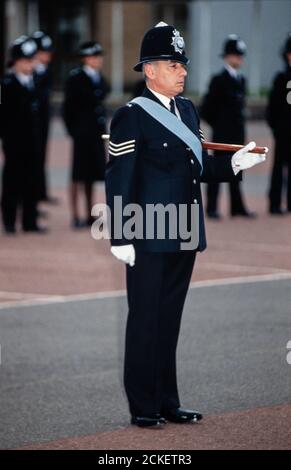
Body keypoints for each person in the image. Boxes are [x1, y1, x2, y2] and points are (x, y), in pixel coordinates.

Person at [105, 22, 266, 428]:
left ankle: (166, 400)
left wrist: (231, 165)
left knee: (169, 319)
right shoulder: (130, 116)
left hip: (184, 230)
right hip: (147, 233)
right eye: (173, 64)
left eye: (183, 64)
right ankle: (143, 405)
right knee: (145, 318)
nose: (182, 71)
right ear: (150, 70)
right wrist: (120, 236)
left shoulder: (189, 110)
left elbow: (198, 167)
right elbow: (119, 177)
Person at [201, 35, 256, 220]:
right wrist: (219, 126)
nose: (239, 59)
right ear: (227, 56)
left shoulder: (241, 80)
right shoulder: (218, 80)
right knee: (217, 170)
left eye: (240, 56)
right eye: (235, 55)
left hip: (236, 134)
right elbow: (207, 109)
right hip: (222, 133)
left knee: (237, 168)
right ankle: (212, 207)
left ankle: (237, 206)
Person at [0, 36, 46, 234]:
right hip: (14, 142)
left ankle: (30, 221)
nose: (30, 64)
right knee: (12, 181)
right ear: (16, 62)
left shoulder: (34, 82)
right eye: (26, 60)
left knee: (32, 180)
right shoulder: (6, 84)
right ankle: (9, 221)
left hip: (32, 142)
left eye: (31, 60)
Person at [63, 41, 110, 228]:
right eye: (93, 57)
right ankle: (75, 215)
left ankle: (90, 214)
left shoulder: (99, 78)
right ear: (85, 59)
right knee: (78, 175)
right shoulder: (76, 78)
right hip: (82, 133)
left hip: (96, 133)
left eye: (99, 57)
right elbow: (68, 108)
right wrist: (73, 131)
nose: (97, 61)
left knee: (92, 174)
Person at [266, 33, 291, 215]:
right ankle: (274, 204)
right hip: (283, 131)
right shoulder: (281, 78)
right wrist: (276, 128)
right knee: (278, 168)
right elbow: (272, 107)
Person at [32, 30, 56, 204]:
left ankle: (40, 192)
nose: (48, 55)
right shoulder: (30, 71)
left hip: (43, 119)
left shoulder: (45, 71)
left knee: (41, 156)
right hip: (30, 122)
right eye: (44, 52)